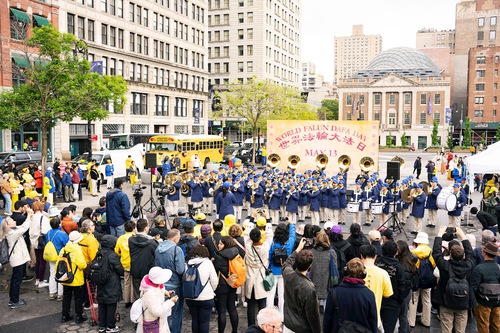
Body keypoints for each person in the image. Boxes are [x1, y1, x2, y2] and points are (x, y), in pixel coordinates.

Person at [432, 226, 475, 333]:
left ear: (450, 254)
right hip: (463, 302)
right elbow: (471, 254)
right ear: (463, 255)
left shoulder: (444, 266)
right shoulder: (468, 265)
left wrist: (439, 234)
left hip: (446, 301)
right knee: (460, 330)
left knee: (446, 329)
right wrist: (463, 237)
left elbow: (436, 253)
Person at [323, 258, 378, 333]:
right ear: (363, 274)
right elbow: (373, 321)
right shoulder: (369, 294)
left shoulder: (334, 292)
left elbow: (327, 320)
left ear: (345, 272)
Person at [282, 237, 321, 333]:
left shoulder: (288, 274)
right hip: (302, 328)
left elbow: (286, 263)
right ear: (310, 265)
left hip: (288, 324)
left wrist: (298, 249)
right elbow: (313, 316)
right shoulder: (309, 288)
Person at [154, 228, 185, 333]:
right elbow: (180, 270)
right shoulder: (177, 250)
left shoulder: (158, 248)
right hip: (174, 283)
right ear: (176, 239)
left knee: (164, 310)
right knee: (176, 311)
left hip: (161, 283)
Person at [185, 245, 218, 333]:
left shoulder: (187, 264)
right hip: (206, 297)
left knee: (195, 320)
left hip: (190, 296)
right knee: (204, 322)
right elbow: (214, 280)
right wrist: (212, 290)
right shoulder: (208, 263)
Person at [1, 213, 32, 309]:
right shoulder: (12, 234)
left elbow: (21, 226)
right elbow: (24, 227)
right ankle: (14, 300)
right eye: (12, 221)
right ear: (8, 225)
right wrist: (29, 216)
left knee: (15, 279)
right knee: (16, 281)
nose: (14, 221)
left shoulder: (12, 231)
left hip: (18, 258)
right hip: (17, 259)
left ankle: (13, 299)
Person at [359, 244, 393, 331]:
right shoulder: (383, 273)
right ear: (375, 256)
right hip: (374, 318)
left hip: (357, 320)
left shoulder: (355, 272)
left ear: (361, 256)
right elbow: (388, 294)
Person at [244, 226, 273, 327]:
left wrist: (251, 220)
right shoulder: (265, 248)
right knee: (262, 306)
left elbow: (246, 235)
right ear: (261, 237)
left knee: (251, 306)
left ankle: (251, 326)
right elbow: (269, 237)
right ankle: (263, 326)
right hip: (261, 280)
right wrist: (268, 222)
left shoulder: (248, 247)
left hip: (250, 280)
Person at [375, 240, 406, 333]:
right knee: (389, 327)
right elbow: (401, 286)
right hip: (393, 301)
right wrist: (399, 300)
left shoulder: (376, 262)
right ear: (396, 252)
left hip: (377, 298)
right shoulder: (398, 267)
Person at [136, 267, 178, 333]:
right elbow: (158, 311)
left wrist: (165, 292)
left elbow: (157, 292)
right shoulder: (150, 293)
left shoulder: (152, 285)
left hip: (157, 322)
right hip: (153, 323)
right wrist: (170, 302)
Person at [267, 222, 296, 315]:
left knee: (270, 294)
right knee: (281, 294)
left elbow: (269, 256)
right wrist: (290, 224)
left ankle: (269, 313)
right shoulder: (289, 243)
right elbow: (293, 234)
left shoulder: (273, 244)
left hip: (273, 270)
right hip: (284, 271)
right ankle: (282, 315)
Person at [59, 231, 88, 323]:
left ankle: (65, 315)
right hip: (76, 278)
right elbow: (82, 265)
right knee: (78, 298)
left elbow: (58, 264)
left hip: (65, 278)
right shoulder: (77, 250)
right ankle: (79, 316)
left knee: (66, 297)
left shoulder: (63, 249)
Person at [471, 241, 500, 333]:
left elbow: (473, 288)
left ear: (484, 253)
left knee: (483, 325)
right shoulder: (499, 267)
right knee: (496, 325)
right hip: (497, 302)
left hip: (482, 302)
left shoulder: (479, 268)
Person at [97, 235, 124, 333]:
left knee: (102, 304)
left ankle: (102, 325)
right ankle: (110, 326)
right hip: (111, 283)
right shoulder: (112, 255)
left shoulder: (98, 253)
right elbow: (120, 270)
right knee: (111, 305)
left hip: (100, 282)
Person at [213, 236, 240, 333]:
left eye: (220, 243)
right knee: (232, 309)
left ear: (225, 244)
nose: (219, 245)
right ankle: (235, 331)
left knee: (222, 311)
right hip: (232, 283)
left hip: (222, 285)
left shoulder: (218, 256)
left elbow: (215, 271)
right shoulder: (235, 253)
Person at [409, 231, 435, 328]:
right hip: (428, 280)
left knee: (413, 299)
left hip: (416, 280)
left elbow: (411, 266)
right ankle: (426, 321)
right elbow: (434, 265)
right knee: (427, 300)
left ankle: (411, 321)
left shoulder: (413, 252)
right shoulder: (430, 251)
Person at [129, 218, 158, 299]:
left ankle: (137, 309)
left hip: (135, 269)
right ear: (146, 228)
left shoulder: (131, 240)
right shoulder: (152, 243)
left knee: (137, 294)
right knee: (148, 295)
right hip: (148, 271)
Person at [309, 231, 336, 310]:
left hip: (313, 282)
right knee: (326, 308)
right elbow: (334, 267)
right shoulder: (331, 253)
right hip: (327, 283)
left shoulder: (312, 252)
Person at [45, 216, 69, 301]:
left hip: (51, 256)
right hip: (60, 256)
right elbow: (67, 244)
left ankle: (52, 293)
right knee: (61, 274)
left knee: (52, 274)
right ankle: (60, 294)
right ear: (59, 224)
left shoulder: (48, 233)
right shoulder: (62, 234)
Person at [29, 201, 51, 289]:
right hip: (41, 241)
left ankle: (37, 279)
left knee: (37, 261)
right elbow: (46, 230)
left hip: (34, 241)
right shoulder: (43, 218)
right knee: (43, 261)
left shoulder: (31, 217)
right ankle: (41, 281)